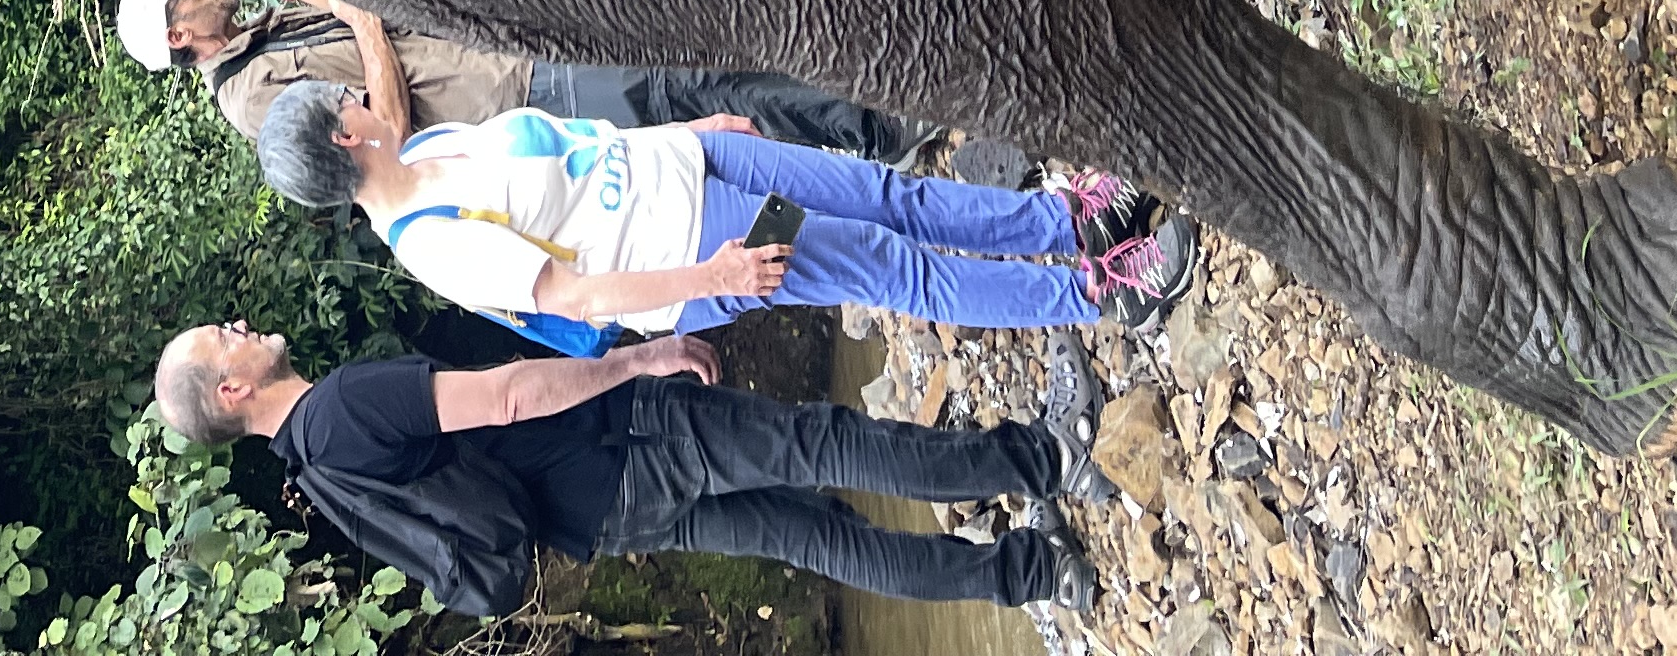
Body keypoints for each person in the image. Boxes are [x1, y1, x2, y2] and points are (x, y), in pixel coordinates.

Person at [150, 317, 1106, 614]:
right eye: (221, 341)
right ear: (230, 392)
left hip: (599, 520)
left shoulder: (312, 472)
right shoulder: (342, 406)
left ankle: (1034, 572)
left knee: (813, 535)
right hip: (617, 442)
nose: (239, 329)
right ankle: (1043, 457)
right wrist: (638, 361)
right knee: (818, 442)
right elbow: (510, 397)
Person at [258, 81, 1193, 339]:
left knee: (884, 192)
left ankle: (1065, 225)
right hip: (698, 245)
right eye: (342, 101)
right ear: (344, 137)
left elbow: (578, 150)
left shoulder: (425, 149)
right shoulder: (432, 246)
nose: (356, 96)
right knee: (884, 265)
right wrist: (716, 279)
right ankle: (1096, 297)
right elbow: (576, 299)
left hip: (696, 161)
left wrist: (693, 128)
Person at [114, 0, 934, 165]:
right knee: (697, 85)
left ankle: (861, 121)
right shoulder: (254, 102)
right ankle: (874, 131)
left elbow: (349, 6)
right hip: (516, 97)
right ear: (181, 35)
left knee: (696, 76)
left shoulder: (263, 37)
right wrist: (364, 24)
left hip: (510, 51)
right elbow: (385, 141)